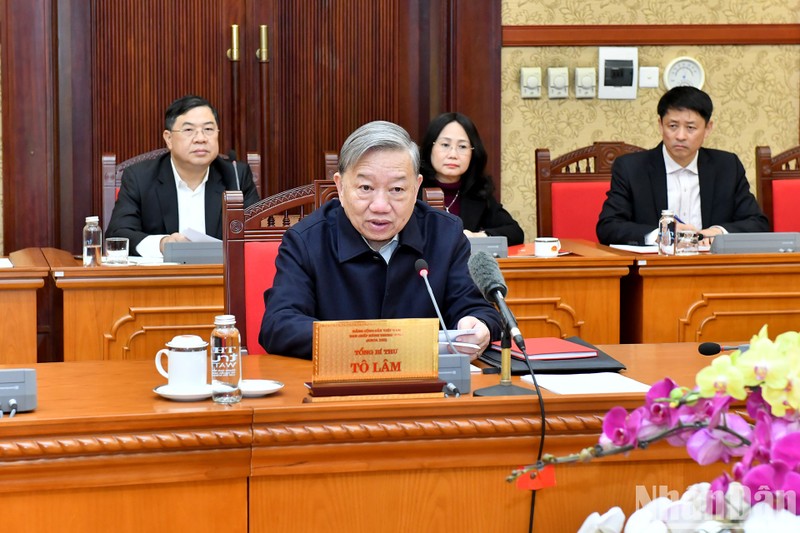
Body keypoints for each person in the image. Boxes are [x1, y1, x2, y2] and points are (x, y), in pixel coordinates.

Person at [259, 120, 502, 359]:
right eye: (365, 188)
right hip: (338, 390)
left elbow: (476, 309)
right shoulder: (306, 241)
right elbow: (279, 325)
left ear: (416, 188)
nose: (380, 206)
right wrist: (369, 344)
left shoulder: (445, 235)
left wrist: (476, 325)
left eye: (396, 190)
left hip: (426, 391)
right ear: (341, 187)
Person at [596, 86, 769, 246]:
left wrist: (718, 233)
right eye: (672, 126)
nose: (680, 136)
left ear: (708, 129)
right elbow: (608, 227)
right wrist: (662, 234)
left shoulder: (727, 166)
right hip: (654, 269)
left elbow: (757, 223)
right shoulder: (631, 168)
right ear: (660, 125)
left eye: (691, 127)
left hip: (713, 267)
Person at [106, 94, 260, 256]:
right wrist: (162, 244)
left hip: (220, 277)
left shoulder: (236, 175)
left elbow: (254, 235)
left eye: (208, 129)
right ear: (169, 138)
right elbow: (118, 235)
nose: (200, 138)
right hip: (163, 277)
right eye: (188, 130)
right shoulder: (139, 177)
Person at [419, 112, 524, 245]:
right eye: (445, 145)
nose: (453, 154)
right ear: (430, 147)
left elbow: (515, 233)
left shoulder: (478, 192)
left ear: (473, 153)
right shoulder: (413, 189)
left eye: (462, 146)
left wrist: (477, 236)